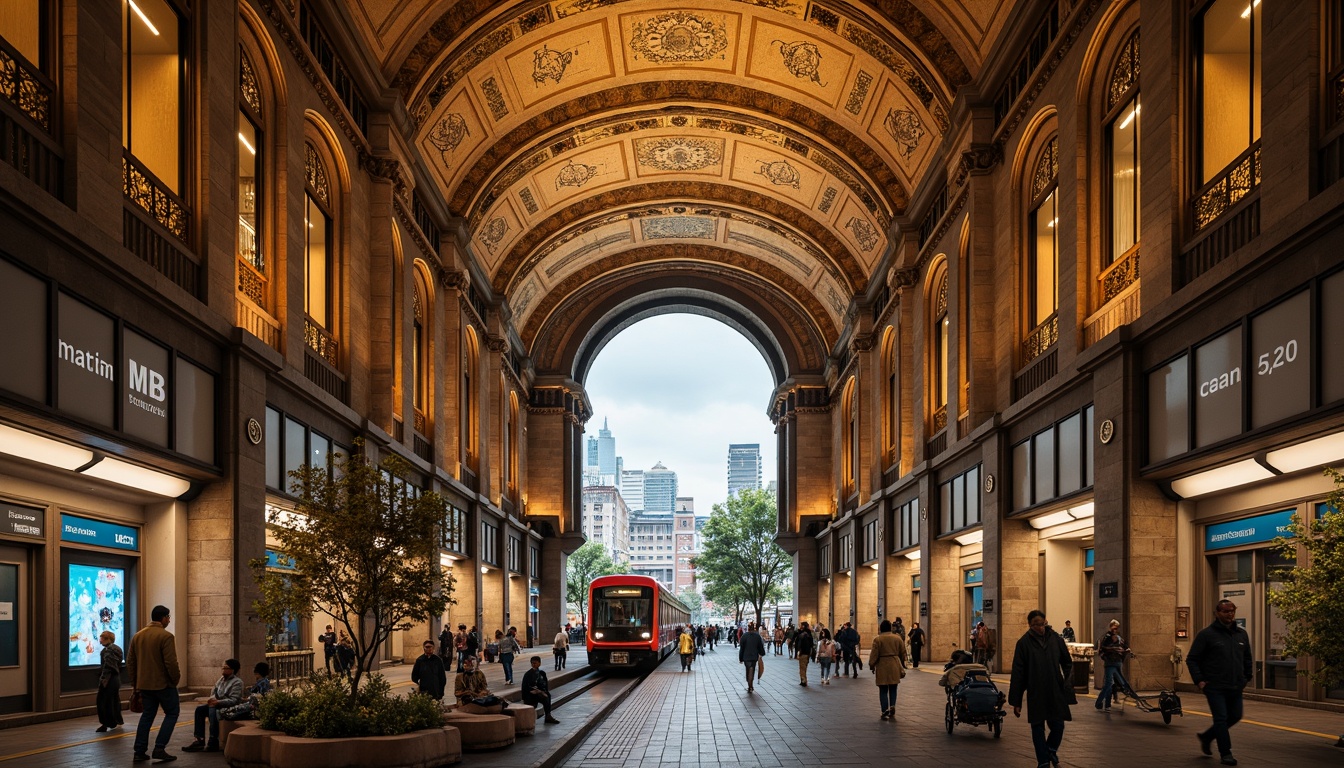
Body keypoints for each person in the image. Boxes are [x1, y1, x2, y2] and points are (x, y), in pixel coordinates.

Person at [1186, 600, 1253, 766]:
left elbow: (1247, 658)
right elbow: (1192, 659)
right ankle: (1226, 753)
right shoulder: (1206, 635)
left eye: (1232, 611)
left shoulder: (1241, 634)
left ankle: (1207, 736)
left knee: (1236, 716)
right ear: (1217, 613)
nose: (1229, 614)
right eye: (1225, 611)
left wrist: (1246, 677)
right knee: (1221, 718)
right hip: (1214, 686)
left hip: (1236, 685)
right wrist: (1200, 680)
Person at [1008, 610, 1075, 768]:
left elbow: (1067, 662)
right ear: (1030, 625)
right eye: (1036, 624)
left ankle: (1051, 749)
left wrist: (1067, 684)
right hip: (1036, 690)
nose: (1040, 627)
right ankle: (1043, 761)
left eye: (1042, 623)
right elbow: (1018, 673)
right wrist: (1016, 701)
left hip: (1055, 689)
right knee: (1037, 728)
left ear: (1046, 622)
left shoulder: (1056, 639)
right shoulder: (1023, 643)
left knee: (1058, 725)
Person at [127, 604, 181, 763]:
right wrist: (175, 679)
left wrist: (135, 683)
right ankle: (159, 747)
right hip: (164, 684)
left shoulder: (138, 636)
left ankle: (139, 751)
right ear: (164, 618)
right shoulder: (166, 636)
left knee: (147, 716)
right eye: (168, 617)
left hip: (144, 685)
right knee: (172, 713)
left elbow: (131, 662)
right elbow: (171, 662)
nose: (169, 620)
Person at [182, 658, 244, 753]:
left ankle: (213, 740)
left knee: (213, 709)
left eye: (226, 668)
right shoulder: (221, 680)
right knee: (200, 710)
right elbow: (213, 691)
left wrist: (218, 702)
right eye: (223, 668)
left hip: (228, 708)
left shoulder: (237, 682)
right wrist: (213, 699)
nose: (223, 670)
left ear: (232, 670)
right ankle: (199, 740)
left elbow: (234, 700)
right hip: (216, 704)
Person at [867, 619, 908, 720]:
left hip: (882, 664)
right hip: (894, 663)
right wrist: (903, 663)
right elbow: (903, 652)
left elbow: (874, 654)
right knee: (893, 687)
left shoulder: (878, 639)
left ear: (881, 628)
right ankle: (892, 705)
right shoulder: (897, 638)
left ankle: (884, 709)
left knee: (883, 689)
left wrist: (872, 665)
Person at [1095, 619, 1129, 712]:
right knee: (1109, 683)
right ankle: (1102, 703)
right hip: (1110, 663)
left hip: (1117, 662)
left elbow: (1124, 646)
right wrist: (1114, 650)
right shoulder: (1106, 637)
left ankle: (1105, 704)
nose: (1115, 629)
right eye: (1114, 627)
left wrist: (1126, 650)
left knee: (1115, 683)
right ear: (1110, 627)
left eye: (1116, 627)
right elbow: (1103, 649)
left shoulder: (1118, 638)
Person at [96, 630, 124, 732]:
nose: (100, 640)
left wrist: (103, 680)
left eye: (101, 638)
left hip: (109, 680)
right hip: (116, 679)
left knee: (103, 702)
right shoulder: (118, 649)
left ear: (107, 639)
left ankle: (107, 723)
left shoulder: (107, 651)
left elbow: (107, 667)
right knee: (114, 701)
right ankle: (117, 720)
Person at [520, 655, 560, 724]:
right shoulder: (528, 674)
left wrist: (544, 692)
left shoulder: (542, 673)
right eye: (532, 663)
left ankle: (548, 715)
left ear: (539, 663)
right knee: (543, 697)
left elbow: (544, 684)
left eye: (535, 663)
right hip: (530, 694)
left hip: (539, 693)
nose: (533, 664)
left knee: (547, 696)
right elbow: (525, 687)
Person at [738, 621, 767, 692]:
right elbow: (760, 646)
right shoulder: (757, 636)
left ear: (748, 628)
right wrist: (762, 653)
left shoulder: (744, 636)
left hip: (746, 657)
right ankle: (750, 685)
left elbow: (742, 648)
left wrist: (741, 658)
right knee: (752, 669)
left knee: (747, 670)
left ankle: (749, 684)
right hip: (754, 657)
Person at [793, 621, 814, 686]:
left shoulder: (802, 635)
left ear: (803, 626)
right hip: (808, 653)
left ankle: (803, 681)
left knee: (802, 668)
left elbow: (798, 644)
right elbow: (811, 644)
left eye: (801, 625)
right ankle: (804, 680)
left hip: (803, 653)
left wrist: (797, 652)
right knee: (804, 667)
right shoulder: (809, 634)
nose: (799, 627)